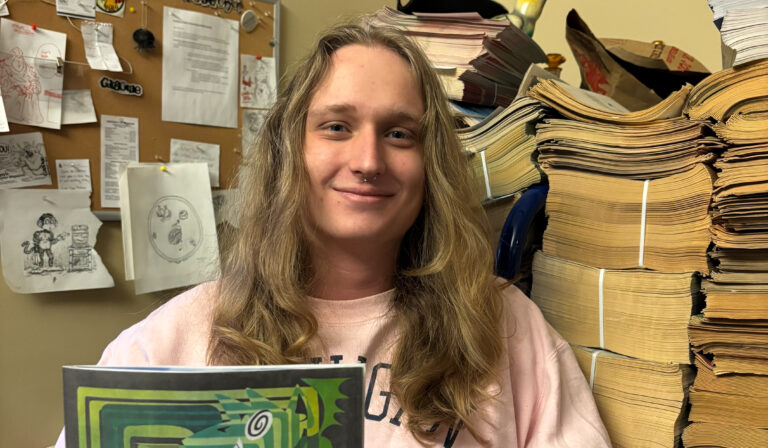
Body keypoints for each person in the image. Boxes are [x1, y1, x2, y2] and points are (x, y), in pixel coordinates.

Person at [55, 19, 610, 447]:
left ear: (431, 165)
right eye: (336, 127)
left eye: (399, 133)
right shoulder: (169, 345)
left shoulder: (506, 328)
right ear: (288, 151)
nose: (368, 160)